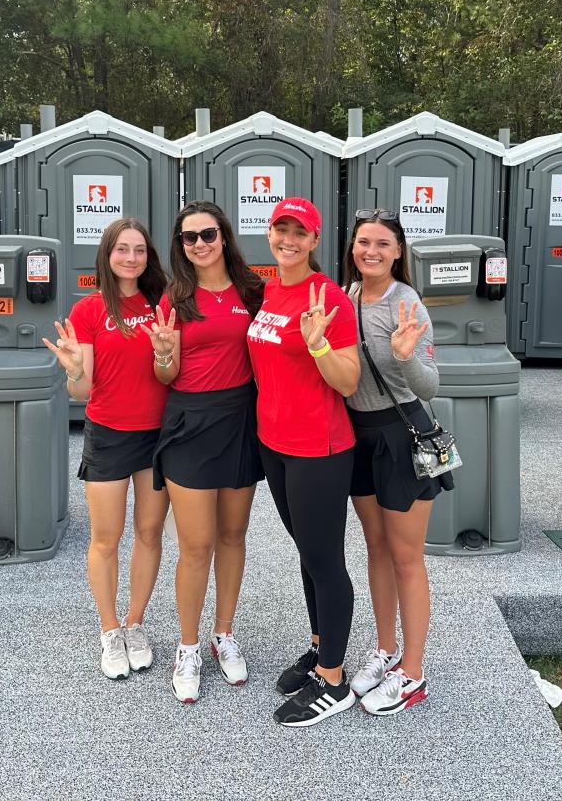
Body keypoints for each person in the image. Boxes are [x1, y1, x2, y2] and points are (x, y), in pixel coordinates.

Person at [245, 197, 362, 727]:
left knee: (325, 560)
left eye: (300, 232)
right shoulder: (269, 290)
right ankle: (319, 650)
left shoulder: (328, 295)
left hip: (319, 447)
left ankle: (333, 681)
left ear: (315, 240)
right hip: (275, 443)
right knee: (307, 552)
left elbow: (349, 380)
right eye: (280, 229)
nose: (288, 240)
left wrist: (317, 346)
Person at [143, 201, 264, 703]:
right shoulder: (174, 298)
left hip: (240, 420)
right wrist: (165, 353)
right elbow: (164, 376)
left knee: (233, 534)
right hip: (190, 422)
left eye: (207, 234)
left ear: (224, 237)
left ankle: (224, 634)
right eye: (188, 238)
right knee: (196, 544)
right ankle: (188, 645)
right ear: (180, 246)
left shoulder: (253, 292)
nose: (198, 244)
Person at [43, 218, 170, 681]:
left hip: (158, 435)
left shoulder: (163, 304)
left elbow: (172, 367)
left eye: (139, 250)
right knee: (106, 537)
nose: (131, 258)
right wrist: (73, 370)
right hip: (110, 433)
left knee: (150, 532)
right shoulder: (90, 310)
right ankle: (110, 630)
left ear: (148, 256)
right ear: (107, 255)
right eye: (122, 249)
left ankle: (136, 623)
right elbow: (82, 390)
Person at [339, 209, 452, 715]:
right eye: (364, 242)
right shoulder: (344, 297)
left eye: (383, 244)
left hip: (401, 432)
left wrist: (407, 355)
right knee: (377, 548)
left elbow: (431, 385)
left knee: (407, 557)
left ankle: (413, 671)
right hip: (357, 435)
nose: (371, 252)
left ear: (398, 252)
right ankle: (384, 652)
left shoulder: (407, 304)